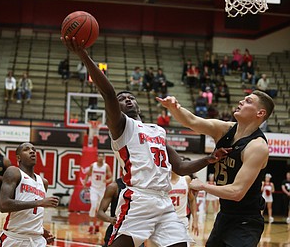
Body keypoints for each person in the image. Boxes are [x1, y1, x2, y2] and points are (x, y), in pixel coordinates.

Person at [62, 37, 230, 247]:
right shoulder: (122, 127)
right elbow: (108, 93)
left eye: (131, 97)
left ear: (139, 107)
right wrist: (83, 55)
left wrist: (209, 159)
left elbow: (180, 166)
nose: (128, 100)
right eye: (122, 99)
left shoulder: (157, 131)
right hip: (138, 199)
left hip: (164, 201)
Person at [157, 90, 275, 247]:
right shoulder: (225, 129)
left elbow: (236, 192)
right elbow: (192, 121)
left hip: (246, 220)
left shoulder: (257, 146)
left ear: (260, 113)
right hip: (224, 215)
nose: (241, 102)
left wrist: (203, 185)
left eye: (248, 101)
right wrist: (174, 108)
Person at [0, 142, 59, 246]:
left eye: (34, 150)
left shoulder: (43, 182)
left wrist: (41, 230)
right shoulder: (14, 172)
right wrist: (39, 202)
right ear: (18, 157)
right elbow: (3, 205)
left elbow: (32, 214)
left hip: (37, 240)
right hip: (15, 238)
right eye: (26, 149)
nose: (32, 151)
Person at [83, 153, 112, 234]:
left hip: (102, 189)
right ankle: (91, 225)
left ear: (104, 158)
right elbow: (88, 174)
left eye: (102, 156)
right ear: (97, 157)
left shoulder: (106, 166)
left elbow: (111, 177)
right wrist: (85, 183)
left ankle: (97, 225)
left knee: (100, 208)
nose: (100, 158)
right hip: (94, 189)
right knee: (93, 205)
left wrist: (107, 181)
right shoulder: (93, 165)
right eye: (99, 156)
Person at [169, 170, 199, 246]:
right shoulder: (163, 181)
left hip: (182, 220)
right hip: (167, 221)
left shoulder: (186, 179)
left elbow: (192, 199)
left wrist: (195, 220)